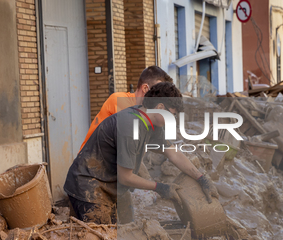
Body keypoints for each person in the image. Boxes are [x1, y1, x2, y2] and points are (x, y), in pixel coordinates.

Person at [64, 82, 219, 224]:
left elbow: (173, 153)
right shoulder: (131, 127)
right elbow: (126, 177)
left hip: (109, 183)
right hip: (87, 185)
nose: (173, 119)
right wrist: (160, 187)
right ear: (159, 108)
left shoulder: (151, 123)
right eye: (172, 114)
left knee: (128, 230)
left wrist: (201, 178)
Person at [79, 66, 173, 151]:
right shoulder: (119, 101)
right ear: (145, 88)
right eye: (158, 92)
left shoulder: (148, 113)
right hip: (89, 163)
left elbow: (170, 150)